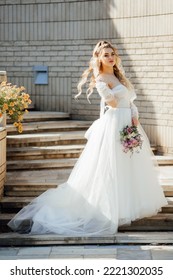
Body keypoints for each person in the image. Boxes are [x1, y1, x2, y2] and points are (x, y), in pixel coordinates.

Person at [8, 41, 167, 236]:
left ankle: (126, 207)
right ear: (99, 58)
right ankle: (108, 209)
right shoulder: (101, 78)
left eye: (112, 54)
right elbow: (114, 104)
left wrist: (134, 114)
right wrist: (105, 90)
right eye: (106, 54)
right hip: (114, 123)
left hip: (128, 122)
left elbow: (129, 100)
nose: (110, 57)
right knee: (111, 165)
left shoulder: (118, 75)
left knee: (128, 164)